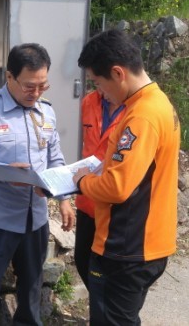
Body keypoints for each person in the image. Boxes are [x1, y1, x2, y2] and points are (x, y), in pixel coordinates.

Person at [0, 43, 76, 326]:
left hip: (36, 218)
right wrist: (3, 172)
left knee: (32, 286)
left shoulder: (46, 111)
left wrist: (64, 198)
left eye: (43, 86)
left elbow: (55, 158)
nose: (36, 93)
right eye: (29, 86)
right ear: (10, 77)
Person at [72, 29, 180, 325]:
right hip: (145, 242)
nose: (99, 92)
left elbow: (117, 187)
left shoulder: (141, 116)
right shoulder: (158, 103)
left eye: (98, 82)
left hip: (126, 247)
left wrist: (81, 181)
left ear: (118, 73)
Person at [75, 87, 125, 288]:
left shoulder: (134, 109)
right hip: (86, 200)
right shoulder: (89, 102)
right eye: (96, 82)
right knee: (82, 261)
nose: (100, 88)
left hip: (114, 205)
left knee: (108, 271)